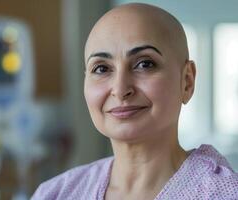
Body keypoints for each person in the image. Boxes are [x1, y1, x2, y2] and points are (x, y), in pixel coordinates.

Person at [31, 3, 238, 200]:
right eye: (101, 68)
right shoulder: (55, 194)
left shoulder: (224, 193)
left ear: (187, 82)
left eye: (145, 64)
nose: (120, 90)